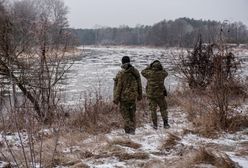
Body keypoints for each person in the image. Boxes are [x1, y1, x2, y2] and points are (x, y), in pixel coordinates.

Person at [113, 56, 142, 134]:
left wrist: (116, 98)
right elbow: (139, 84)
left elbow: (118, 87)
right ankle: (128, 131)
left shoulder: (121, 73)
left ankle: (131, 129)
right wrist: (140, 95)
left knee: (125, 115)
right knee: (132, 114)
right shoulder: (135, 71)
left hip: (124, 98)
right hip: (133, 97)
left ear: (122, 62)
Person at [141, 60, 170, 129]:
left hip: (151, 95)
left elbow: (142, 72)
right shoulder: (162, 74)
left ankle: (155, 125)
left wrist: (149, 66)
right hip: (160, 95)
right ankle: (165, 124)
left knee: (153, 110)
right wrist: (161, 67)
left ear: (152, 67)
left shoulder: (149, 73)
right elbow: (166, 72)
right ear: (160, 66)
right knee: (163, 109)